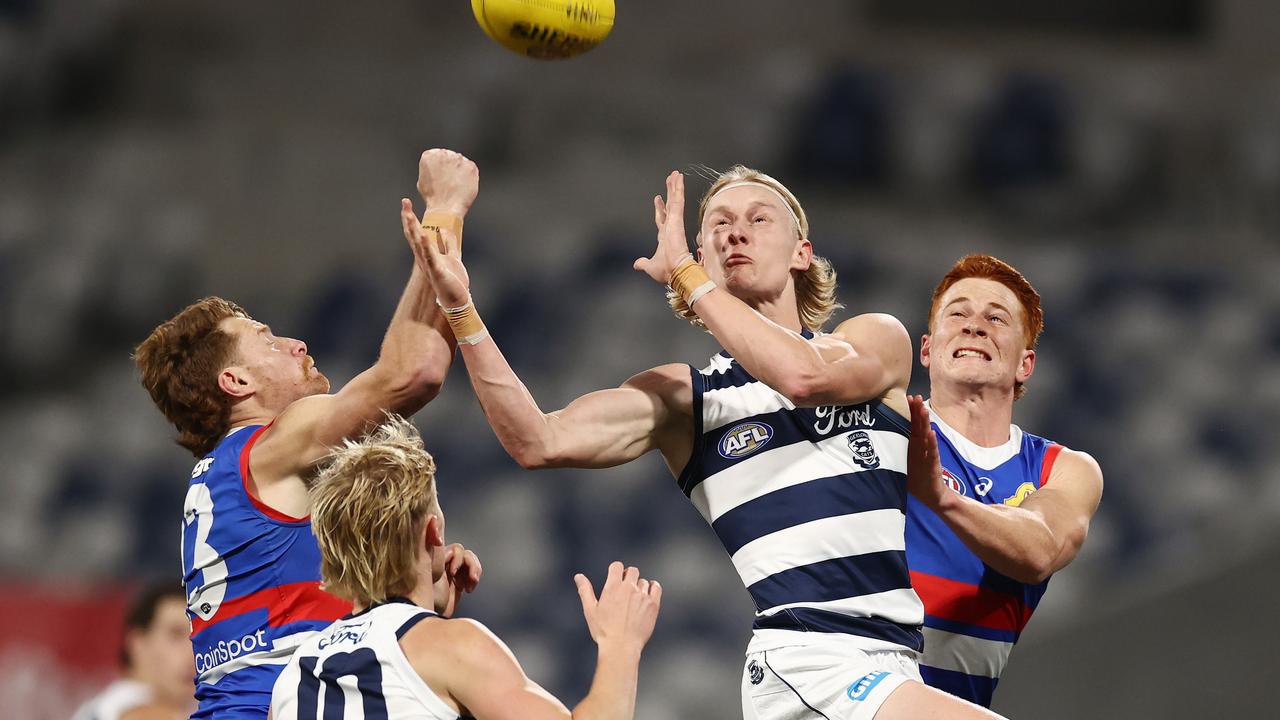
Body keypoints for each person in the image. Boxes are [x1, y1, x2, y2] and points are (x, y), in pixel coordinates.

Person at [414, 166, 1003, 718]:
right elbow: (536, 440)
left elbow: (804, 377)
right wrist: (461, 309)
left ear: (803, 253)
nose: (735, 233)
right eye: (718, 225)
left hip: (894, 661)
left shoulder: (873, 341)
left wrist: (689, 279)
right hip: (811, 660)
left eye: (758, 219)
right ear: (702, 260)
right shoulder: (687, 401)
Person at [132, 149, 480, 719]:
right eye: (267, 339)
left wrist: (421, 595)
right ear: (235, 380)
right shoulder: (275, 444)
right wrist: (444, 210)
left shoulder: (232, 476)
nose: (294, 343)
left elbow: (297, 611)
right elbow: (414, 373)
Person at [270, 414, 662, 720]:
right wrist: (620, 645)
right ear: (433, 531)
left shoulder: (293, 676)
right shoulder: (453, 647)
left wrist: (428, 605)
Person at [904, 254, 1104, 708]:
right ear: (928, 349)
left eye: (996, 318)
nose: (975, 327)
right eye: (957, 313)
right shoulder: (887, 427)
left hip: (955, 706)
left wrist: (941, 499)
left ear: (1025, 364)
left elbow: (1040, 551)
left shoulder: (1062, 469)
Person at [71, 584, 196, 720]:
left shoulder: (104, 705)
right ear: (137, 643)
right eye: (175, 634)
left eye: (198, 637)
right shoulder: (129, 709)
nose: (192, 651)